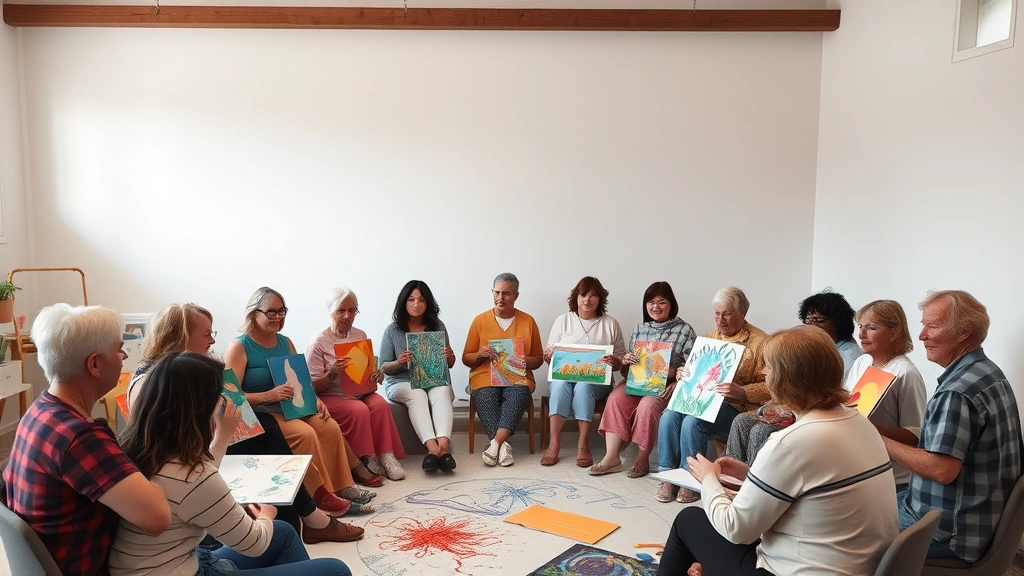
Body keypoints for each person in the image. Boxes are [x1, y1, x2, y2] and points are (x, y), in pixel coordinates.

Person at [660, 325, 899, 576]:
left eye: (770, 367)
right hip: (857, 565)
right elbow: (812, 484)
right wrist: (751, 473)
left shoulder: (791, 441)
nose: (764, 373)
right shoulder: (859, 422)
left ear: (788, 378)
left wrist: (708, 480)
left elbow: (736, 529)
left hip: (803, 569)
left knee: (688, 521)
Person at [128, 303, 362, 543]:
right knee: (270, 435)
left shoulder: (176, 371)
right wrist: (224, 425)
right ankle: (311, 515)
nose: (211, 341)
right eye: (207, 334)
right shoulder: (155, 380)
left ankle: (309, 513)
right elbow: (183, 446)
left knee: (267, 428)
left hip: (206, 449)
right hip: (186, 464)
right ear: (182, 336)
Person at [109, 352, 352, 576]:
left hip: (167, 564)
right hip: (186, 570)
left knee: (284, 532)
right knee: (335, 569)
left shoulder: (139, 449)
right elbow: (253, 543)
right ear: (199, 410)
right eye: (219, 396)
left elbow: (192, 480)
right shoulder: (195, 478)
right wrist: (266, 514)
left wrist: (222, 435)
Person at [0, 304, 171, 575]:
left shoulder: (38, 410)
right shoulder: (79, 437)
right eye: (118, 349)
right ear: (94, 364)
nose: (124, 356)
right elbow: (157, 519)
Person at [880, 290, 1022, 562]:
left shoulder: (957, 392)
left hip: (951, 533)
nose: (921, 335)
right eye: (923, 325)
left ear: (964, 332)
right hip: (979, 517)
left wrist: (878, 441)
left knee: (846, 528)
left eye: (931, 326)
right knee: (872, 499)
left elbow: (941, 469)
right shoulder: (988, 372)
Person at [224, 287, 375, 518]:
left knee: (328, 426)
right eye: (271, 312)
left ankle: (341, 487)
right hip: (263, 412)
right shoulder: (239, 346)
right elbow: (231, 397)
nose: (278, 317)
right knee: (305, 434)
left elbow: (302, 380)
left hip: (293, 406)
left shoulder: (285, 342)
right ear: (254, 313)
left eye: (282, 311)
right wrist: (268, 395)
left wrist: (316, 400)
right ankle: (321, 496)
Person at [724, 289, 860, 468]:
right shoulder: (811, 347)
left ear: (838, 323)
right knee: (741, 421)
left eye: (819, 320)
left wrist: (785, 410)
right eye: (808, 319)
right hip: (793, 406)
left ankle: (757, 484)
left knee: (760, 430)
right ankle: (733, 479)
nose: (811, 325)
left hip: (815, 414)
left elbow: (823, 395)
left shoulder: (846, 355)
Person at [656, 286, 768, 502]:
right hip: (705, 402)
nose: (720, 320)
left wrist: (742, 391)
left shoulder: (761, 343)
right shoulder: (711, 337)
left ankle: (691, 479)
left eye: (727, 313)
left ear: (742, 313)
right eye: (717, 313)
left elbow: (772, 387)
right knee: (669, 414)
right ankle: (668, 477)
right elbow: (697, 372)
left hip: (738, 409)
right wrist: (683, 372)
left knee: (692, 422)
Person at [590, 281, 695, 479]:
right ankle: (611, 457)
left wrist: (675, 380)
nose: (655, 306)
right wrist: (626, 361)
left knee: (647, 405)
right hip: (637, 382)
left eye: (661, 302)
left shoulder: (684, 330)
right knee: (615, 399)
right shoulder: (640, 329)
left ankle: (642, 456)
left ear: (671, 304)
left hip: (664, 386)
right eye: (651, 302)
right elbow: (626, 372)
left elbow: (692, 368)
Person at [306, 287, 407, 481]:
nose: (347, 316)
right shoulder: (318, 342)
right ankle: (365, 458)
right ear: (331, 312)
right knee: (358, 409)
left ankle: (386, 454)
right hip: (331, 395)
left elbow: (367, 370)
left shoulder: (360, 335)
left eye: (352, 310)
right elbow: (311, 386)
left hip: (360, 392)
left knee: (379, 404)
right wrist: (332, 373)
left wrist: (376, 375)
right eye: (341, 311)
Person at [541, 276, 625, 468]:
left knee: (583, 386)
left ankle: (583, 443)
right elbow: (548, 359)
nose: (587, 300)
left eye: (593, 295)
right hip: (563, 377)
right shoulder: (563, 321)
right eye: (583, 295)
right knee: (561, 386)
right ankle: (554, 443)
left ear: (600, 299)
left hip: (597, 382)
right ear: (576, 298)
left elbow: (621, 360)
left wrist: (615, 361)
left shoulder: (610, 324)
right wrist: (549, 355)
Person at [462, 273, 544, 467]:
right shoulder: (479, 321)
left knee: (518, 392)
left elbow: (539, 359)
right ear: (492, 293)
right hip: (484, 375)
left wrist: (522, 360)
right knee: (485, 395)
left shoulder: (528, 321)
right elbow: (466, 358)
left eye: (506, 293)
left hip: (517, 375)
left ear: (516, 295)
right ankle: (503, 445)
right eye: (497, 292)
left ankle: (495, 444)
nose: (500, 298)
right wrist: (480, 355)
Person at [844, 300, 927, 489]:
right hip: (859, 468)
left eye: (871, 327)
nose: (861, 334)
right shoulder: (862, 362)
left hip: (892, 478)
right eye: (860, 326)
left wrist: (872, 427)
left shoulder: (906, 373)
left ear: (894, 333)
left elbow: (915, 436)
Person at [380, 280, 458, 472]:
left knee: (443, 391)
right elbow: (383, 367)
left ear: (428, 303)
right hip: (401, 381)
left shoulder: (438, 325)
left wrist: (450, 356)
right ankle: (432, 449)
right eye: (411, 299)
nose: (416, 304)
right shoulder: (392, 330)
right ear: (404, 302)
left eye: (421, 300)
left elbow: (450, 364)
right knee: (417, 394)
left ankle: (444, 447)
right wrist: (399, 362)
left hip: (433, 379)